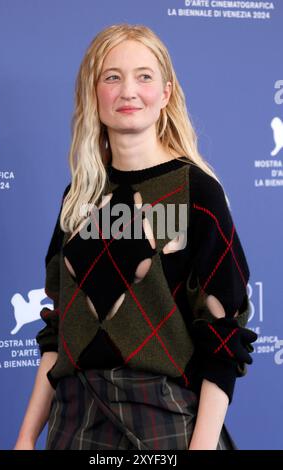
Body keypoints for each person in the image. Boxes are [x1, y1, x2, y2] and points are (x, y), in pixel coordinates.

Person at [14, 23, 257, 451]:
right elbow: (58, 331)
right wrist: (26, 437)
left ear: (165, 93)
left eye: (144, 76)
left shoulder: (196, 193)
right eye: (112, 77)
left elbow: (224, 334)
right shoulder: (79, 198)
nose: (128, 91)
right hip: (75, 424)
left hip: (166, 425)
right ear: (94, 94)